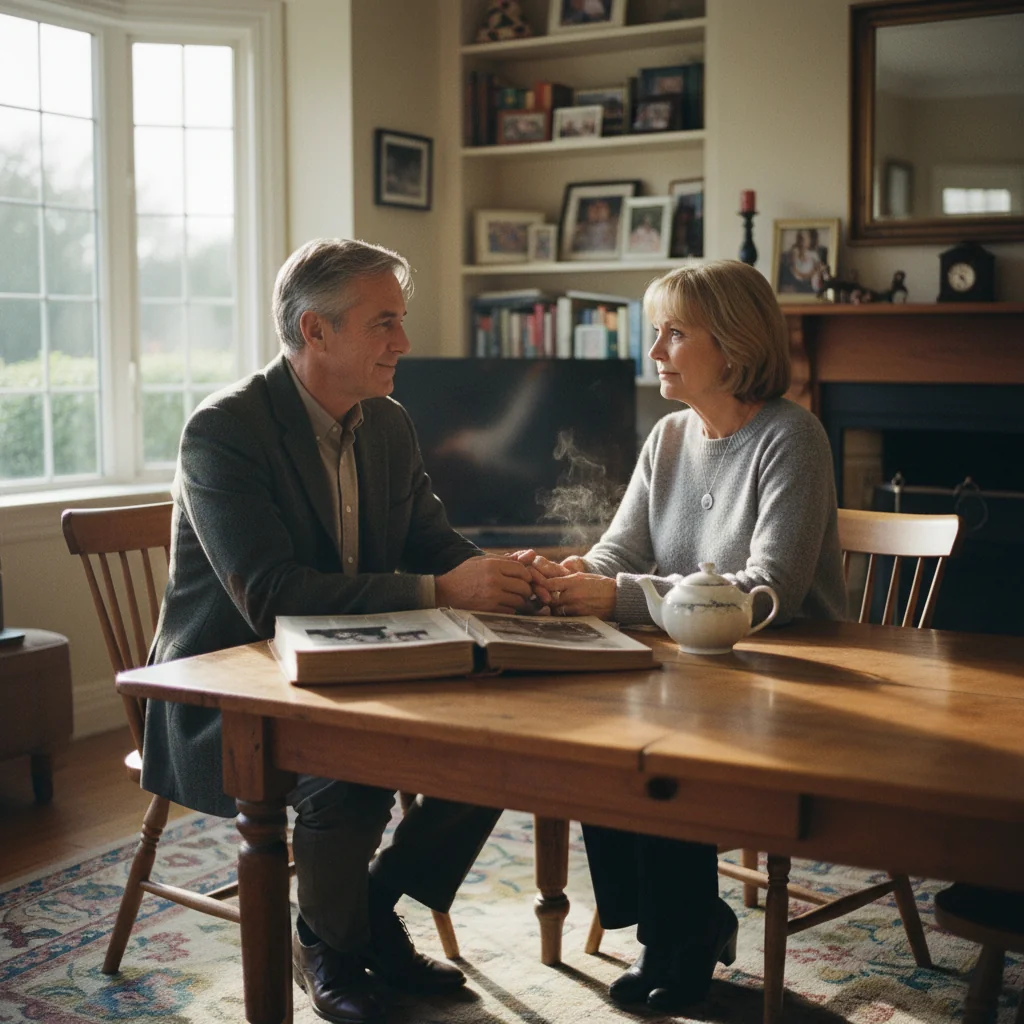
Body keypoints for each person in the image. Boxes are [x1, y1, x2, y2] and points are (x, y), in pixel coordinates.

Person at [142, 238, 536, 1024]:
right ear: (315, 332)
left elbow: (432, 542)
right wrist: (439, 588)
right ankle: (331, 942)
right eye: (383, 323)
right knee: (349, 768)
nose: (405, 343)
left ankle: (367, 905)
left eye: (401, 321)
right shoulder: (224, 430)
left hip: (360, 661)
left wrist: (507, 577)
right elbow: (272, 597)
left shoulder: (386, 423)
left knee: (513, 737)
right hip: (231, 692)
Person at [518, 259, 847, 1012]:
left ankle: (682, 939)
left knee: (664, 747)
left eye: (673, 334)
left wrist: (617, 594)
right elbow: (620, 554)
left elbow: (770, 593)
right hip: (690, 668)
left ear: (731, 346)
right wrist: (573, 574)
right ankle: (683, 927)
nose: (655, 351)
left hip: (787, 674)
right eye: (653, 333)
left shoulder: (792, 439)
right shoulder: (669, 436)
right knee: (595, 734)